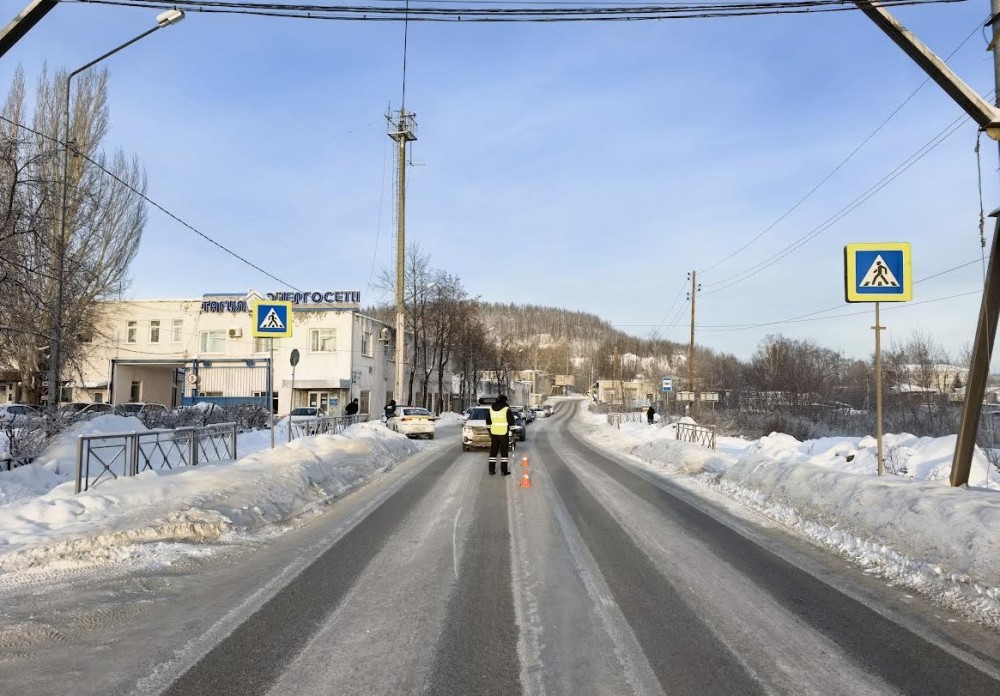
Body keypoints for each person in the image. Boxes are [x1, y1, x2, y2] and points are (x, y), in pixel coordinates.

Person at [485, 394, 516, 476]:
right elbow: (511, 421)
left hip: (494, 433)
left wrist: (489, 430)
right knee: (504, 452)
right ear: (505, 400)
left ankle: (491, 470)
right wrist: (513, 432)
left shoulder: (491, 408)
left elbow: (488, 421)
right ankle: (504, 471)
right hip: (503, 433)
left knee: (493, 452)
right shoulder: (506, 409)